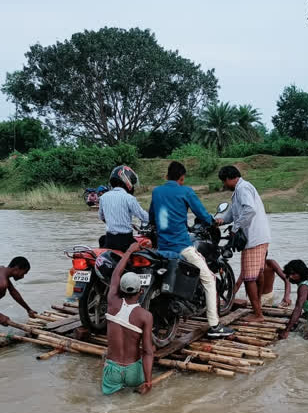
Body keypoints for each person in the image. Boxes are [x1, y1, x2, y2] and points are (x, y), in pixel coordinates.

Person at [148, 161, 234, 338]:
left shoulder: (157, 191)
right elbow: (201, 213)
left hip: (161, 248)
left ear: (166, 176)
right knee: (209, 279)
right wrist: (212, 221)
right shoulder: (185, 190)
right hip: (181, 247)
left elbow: (152, 217)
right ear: (182, 178)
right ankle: (214, 326)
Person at [215, 165, 271, 323]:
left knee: (248, 278)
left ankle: (258, 314)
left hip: (253, 238)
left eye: (224, 182)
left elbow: (249, 210)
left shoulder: (242, 189)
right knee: (257, 274)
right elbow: (233, 213)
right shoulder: (240, 190)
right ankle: (257, 306)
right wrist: (220, 220)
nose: (224, 185)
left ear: (228, 179)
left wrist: (235, 228)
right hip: (260, 237)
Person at [102, 242, 154, 395]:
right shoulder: (145, 316)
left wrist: (130, 250)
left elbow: (115, 274)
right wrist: (148, 381)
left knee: (109, 406)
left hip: (113, 370)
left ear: (121, 289)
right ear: (141, 290)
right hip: (133, 371)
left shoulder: (112, 301)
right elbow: (147, 352)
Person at [98, 165, 149, 252]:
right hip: (126, 242)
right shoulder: (129, 198)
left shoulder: (103, 197)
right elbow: (144, 217)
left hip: (110, 240)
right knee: (146, 252)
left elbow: (102, 217)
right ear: (126, 179)